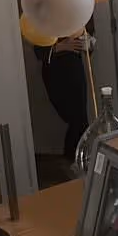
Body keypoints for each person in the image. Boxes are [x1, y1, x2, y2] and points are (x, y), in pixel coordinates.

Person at [39, 27, 91, 163]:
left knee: (80, 120)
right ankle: (74, 162)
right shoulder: (43, 19)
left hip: (75, 69)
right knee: (77, 120)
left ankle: (76, 162)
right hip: (55, 73)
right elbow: (39, 51)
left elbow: (89, 41)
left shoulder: (77, 17)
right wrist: (60, 46)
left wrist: (87, 43)